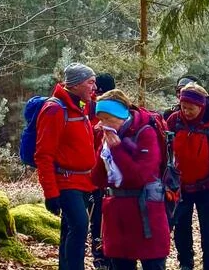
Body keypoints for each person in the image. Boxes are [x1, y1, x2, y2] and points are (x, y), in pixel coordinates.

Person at [91, 89, 171, 270]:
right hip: (116, 217)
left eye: (107, 119)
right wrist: (103, 151)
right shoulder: (107, 136)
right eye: (100, 119)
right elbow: (97, 179)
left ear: (121, 116)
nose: (102, 124)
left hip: (146, 213)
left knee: (153, 264)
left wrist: (117, 149)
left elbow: (140, 176)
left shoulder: (146, 132)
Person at [167, 82, 209, 270]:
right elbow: (165, 148)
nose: (186, 112)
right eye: (183, 107)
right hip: (181, 185)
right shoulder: (174, 120)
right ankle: (185, 263)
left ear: (201, 106)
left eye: (191, 108)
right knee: (181, 227)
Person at [37, 63, 99, 270]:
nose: (94, 87)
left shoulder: (80, 105)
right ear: (75, 84)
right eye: (90, 82)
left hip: (84, 181)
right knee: (80, 226)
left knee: (70, 230)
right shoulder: (54, 110)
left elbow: (77, 142)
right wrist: (50, 193)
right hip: (66, 181)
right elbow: (43, 155)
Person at [90, 73, 118, 270]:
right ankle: (100, 256)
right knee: (97, 217)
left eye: (102, 92)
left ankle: (112, 256)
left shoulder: (117, 111)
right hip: (96, 172)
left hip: (114, 175)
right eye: (97, 92)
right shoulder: (89, 109)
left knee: (112, 217)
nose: (99, 96)